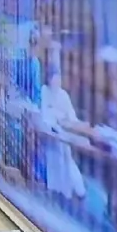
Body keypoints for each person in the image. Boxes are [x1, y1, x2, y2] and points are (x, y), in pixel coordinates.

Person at [38, 53, 88, 200]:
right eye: (54, 78)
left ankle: (74, 192)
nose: (56, 81)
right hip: (51, 132)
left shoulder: (64, 95)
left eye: (58, 78)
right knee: (53, 162)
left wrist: (74, 124)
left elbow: (71, 115)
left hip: (63, 133)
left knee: (67, 161)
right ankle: (55, 190)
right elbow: (45, 113)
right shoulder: (44, 91)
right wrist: (54, 121)